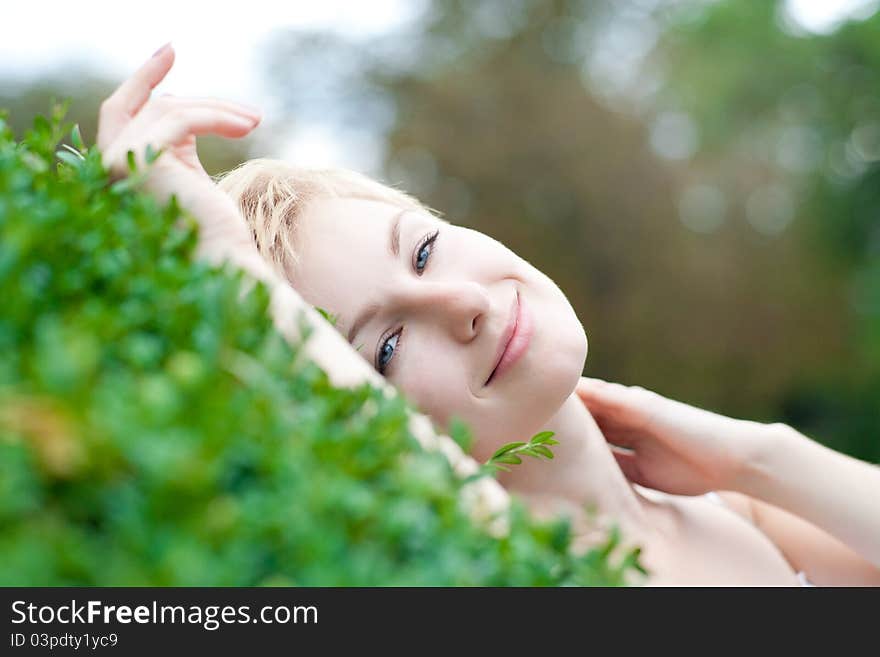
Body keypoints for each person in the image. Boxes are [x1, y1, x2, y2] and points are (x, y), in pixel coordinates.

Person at [97, 44, 880, 585]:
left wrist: (759, 455)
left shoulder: (731, 506)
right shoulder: (490, 567)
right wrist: (223, 261)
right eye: (388, 346)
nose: (463, 304)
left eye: (427, 250)